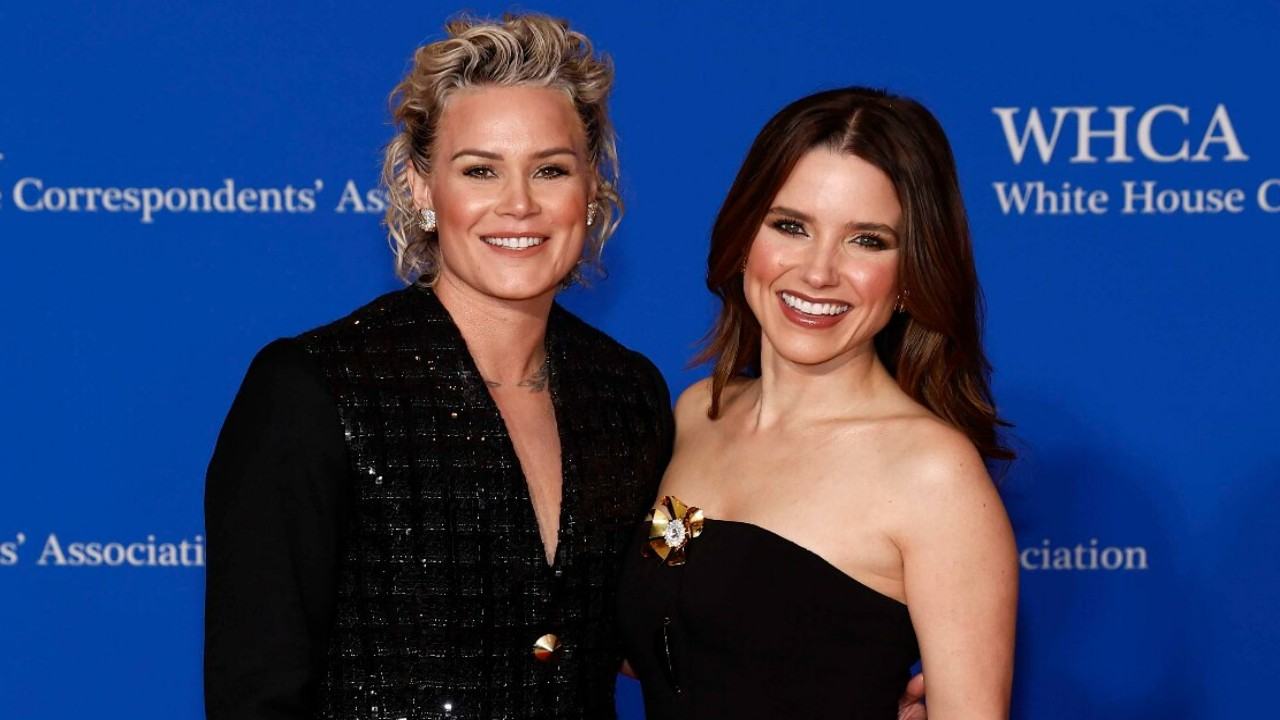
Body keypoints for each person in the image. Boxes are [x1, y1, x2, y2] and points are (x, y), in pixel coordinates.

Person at [203, 14, 674, 720]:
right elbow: (257, 692)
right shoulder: (313, 389)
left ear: (593, 190)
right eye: (479, 169)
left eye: (550, 169)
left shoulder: (628, 392)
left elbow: (666, 625)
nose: (519, 203)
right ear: (422, 189)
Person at [617, 87, 1018, 719]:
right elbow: (675, 633)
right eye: (791, 226)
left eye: (867, 240)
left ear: (912, 272)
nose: (819, 272)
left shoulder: (933, 474)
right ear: (746, 235)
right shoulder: (700, 413)